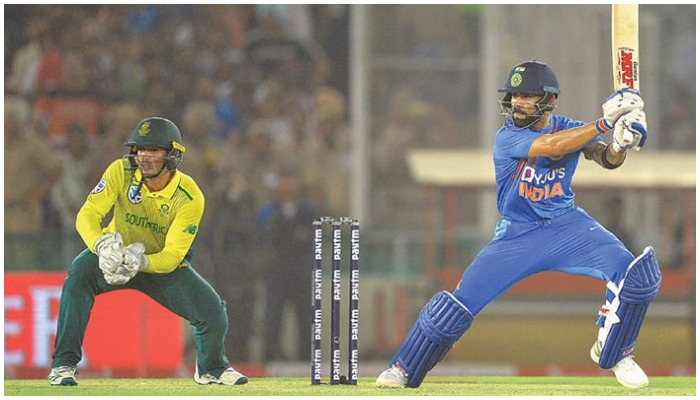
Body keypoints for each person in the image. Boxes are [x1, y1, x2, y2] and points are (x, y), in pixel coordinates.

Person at [375, 61, 660, 390]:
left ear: (550, 100)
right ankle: (403, 368)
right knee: (458, 304)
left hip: (566, 225)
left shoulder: (568, 127)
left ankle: (616, 352)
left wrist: (621, 143)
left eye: (528, 96)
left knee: (635, 273)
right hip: (518, 233)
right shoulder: (507, 137)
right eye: (515, 96)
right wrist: (605, 122)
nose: (518, 103)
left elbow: (606, 159)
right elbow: (553, 147)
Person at [48, 117, 248, 386]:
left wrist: (140, 261)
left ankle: (212, 368)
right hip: (114, 256)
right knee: (79, 274)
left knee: (213, 314)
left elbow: (173, 256)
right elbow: (88, 213)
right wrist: (101, 245)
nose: (144, 157)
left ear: (173, 155)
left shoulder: (189, 196)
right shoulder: (121, 171)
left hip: (159, 265)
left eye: (153, 150)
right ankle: (63, 365)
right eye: (140, 150)